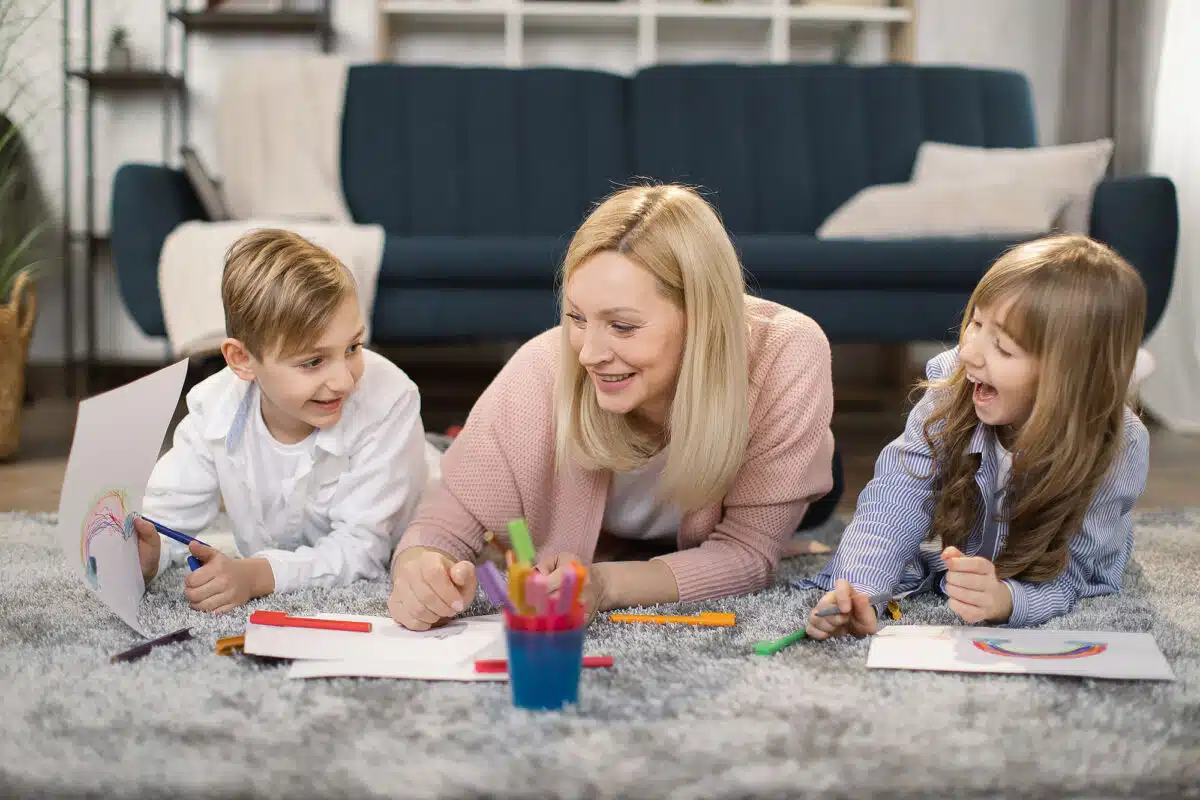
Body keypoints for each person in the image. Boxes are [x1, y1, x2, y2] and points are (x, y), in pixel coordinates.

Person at [388, 183, 836, 631]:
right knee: (463, 457)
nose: (588, 355)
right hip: (602, 515)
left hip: (782, 472)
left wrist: (605, 584)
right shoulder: (541, 370)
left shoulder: (785, 353)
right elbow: (443, 522)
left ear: (702, 318)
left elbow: (747, 555)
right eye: (578, 319)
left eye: (622, 326)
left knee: (819, 499)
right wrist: (420, 567)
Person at [803, 234, 1150, 638]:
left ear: (1069, 378)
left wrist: (1009, 600)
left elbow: (1078, 576)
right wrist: (860, 590)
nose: (970, 352)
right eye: (976, 323)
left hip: (1051, 564)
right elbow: (894, 500)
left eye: (1002, 347)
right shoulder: (952, 389)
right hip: (962, 548)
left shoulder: (1119, 447)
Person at [134, 228, 438, 613]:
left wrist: (256, 576)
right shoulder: (213, 410)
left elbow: (363, 551)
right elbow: (164, 516)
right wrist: (151, 555)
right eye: (312, 362)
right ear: (242, 360)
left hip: (417, 497)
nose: (344, 379)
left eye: (353, 347)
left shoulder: (391, 400)